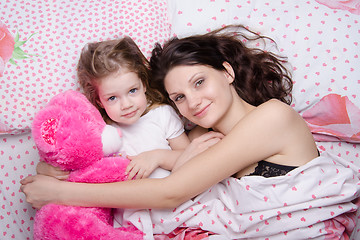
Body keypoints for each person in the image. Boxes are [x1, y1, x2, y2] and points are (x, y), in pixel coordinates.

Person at [21, 25, 358, 238]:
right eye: (179, 97)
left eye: (199, 82)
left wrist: (60, 194)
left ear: (226, 72)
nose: (193, 102)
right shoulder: (196, 137)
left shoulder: (273, 117)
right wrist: (55, 175)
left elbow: (170, 193)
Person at [36, 36, 191, 180]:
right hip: (132, 207)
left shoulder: (162, 114)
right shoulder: (100, 133)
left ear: (143, 84)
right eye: (112, 98)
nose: (126, 105)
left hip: (176, 201)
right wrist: (44, 169)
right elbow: (72, 164)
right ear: (99, 102)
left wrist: (157, 157)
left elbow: (190, 157)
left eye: (132, 91)